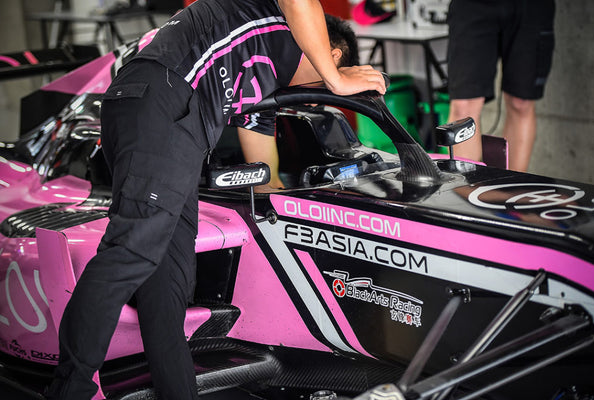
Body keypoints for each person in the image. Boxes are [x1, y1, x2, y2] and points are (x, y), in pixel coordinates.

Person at [45, 1, 385, 399]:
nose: (313, 103)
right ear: (333, 52)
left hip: (167, 116)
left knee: (170, 277)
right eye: (321, 93)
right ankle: (69, 391)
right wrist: (337, 79)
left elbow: (266, 177)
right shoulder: (285, 26)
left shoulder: (265, 84)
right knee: (131, 252)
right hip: (162, 98)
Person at [236, 13, 361, 189]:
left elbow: (266, 185)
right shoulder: (256, 54)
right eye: (325, 86)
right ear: (334, 56)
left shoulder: (265, 93)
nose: (312, 104)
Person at [446, 0, 555, 172]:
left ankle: (512, 191)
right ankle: (462, 193)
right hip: (471, 6)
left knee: (521, 102)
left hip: (531, 5)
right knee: (463, 106)